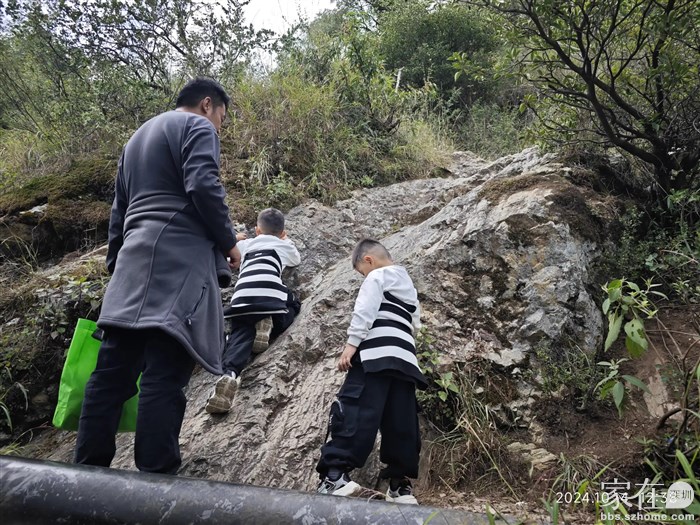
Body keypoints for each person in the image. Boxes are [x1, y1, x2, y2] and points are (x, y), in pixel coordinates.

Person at [75, 77, 241, 474]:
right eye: (222, 118)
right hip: (177, 263)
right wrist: (229, 243)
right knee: (164, 374)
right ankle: (156, 479)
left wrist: (118, 266)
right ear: (207, 104)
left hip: (132, 265)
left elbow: (119, 212)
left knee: (110, 377)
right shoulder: (197, 125)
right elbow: (203, 184)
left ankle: (84, 475)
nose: (219, 128)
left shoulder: (135, 140)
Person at [315, 239, 427, 504]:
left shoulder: (376, 276)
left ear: (369, 260)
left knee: (357, 411)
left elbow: (365, 309)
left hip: (374, 356)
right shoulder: (408, 285)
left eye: (361, 272)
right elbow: (416, 324)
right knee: (401, 421)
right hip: (404, 359)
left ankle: (333, 476)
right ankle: (399, 485)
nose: (363, 276)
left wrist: (351, 346)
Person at [205, 207, 301, 414]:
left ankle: (229, 374)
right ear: (282, 232)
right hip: (270, 298)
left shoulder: (245, 244)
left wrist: (235, 238)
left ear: (257, 230)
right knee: (293, 303)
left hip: (242, 299)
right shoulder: (284, 245)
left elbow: (225, 250)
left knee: (241, 333)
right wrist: (286, 240)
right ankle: (269, 323)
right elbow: (296, 259)